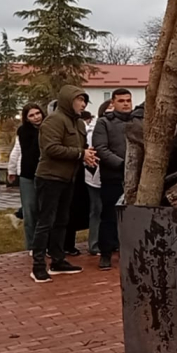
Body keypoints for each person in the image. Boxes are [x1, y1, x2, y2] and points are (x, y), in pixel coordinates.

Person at [30, 85, 96, 283]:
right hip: (49, 178)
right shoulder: (53, 121)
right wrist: (80, 154)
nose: (83, 104)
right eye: (80, 100)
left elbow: (80, 148)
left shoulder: (79, 124)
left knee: (62, 221)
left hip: (69, 178)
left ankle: (58, 261)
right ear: (68, 100)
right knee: (45, 222)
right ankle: (38, 266)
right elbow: (51, 149)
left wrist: (88, 155)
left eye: (84, 101)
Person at [93, 90, 136, 270]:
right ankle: (105, 253)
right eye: (121, 101)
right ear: (113, 102)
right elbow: (101, 148)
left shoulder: (138, 120)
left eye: (128, 100)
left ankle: (131, 251)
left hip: (136, 177)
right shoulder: (104, 123)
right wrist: (122, 164)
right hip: (113, 176)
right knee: (109, 217)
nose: (126, 104)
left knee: (133, 217)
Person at [8, 103, 46, 252]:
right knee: (30, 212)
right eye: (31, 115)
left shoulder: (49, 128)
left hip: (46, 174)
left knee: (45, 212)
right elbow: (18, 152)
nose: (36, 117)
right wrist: (11, 170)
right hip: (28, 175)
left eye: (38, 113)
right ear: (26, 118)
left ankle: (45, 244)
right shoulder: (23, 132)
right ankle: (32, 246)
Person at [84, 106, 106, 255]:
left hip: (113, 176)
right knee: (97, 209)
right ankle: (94, 243)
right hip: (95, 176)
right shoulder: (92, 132)